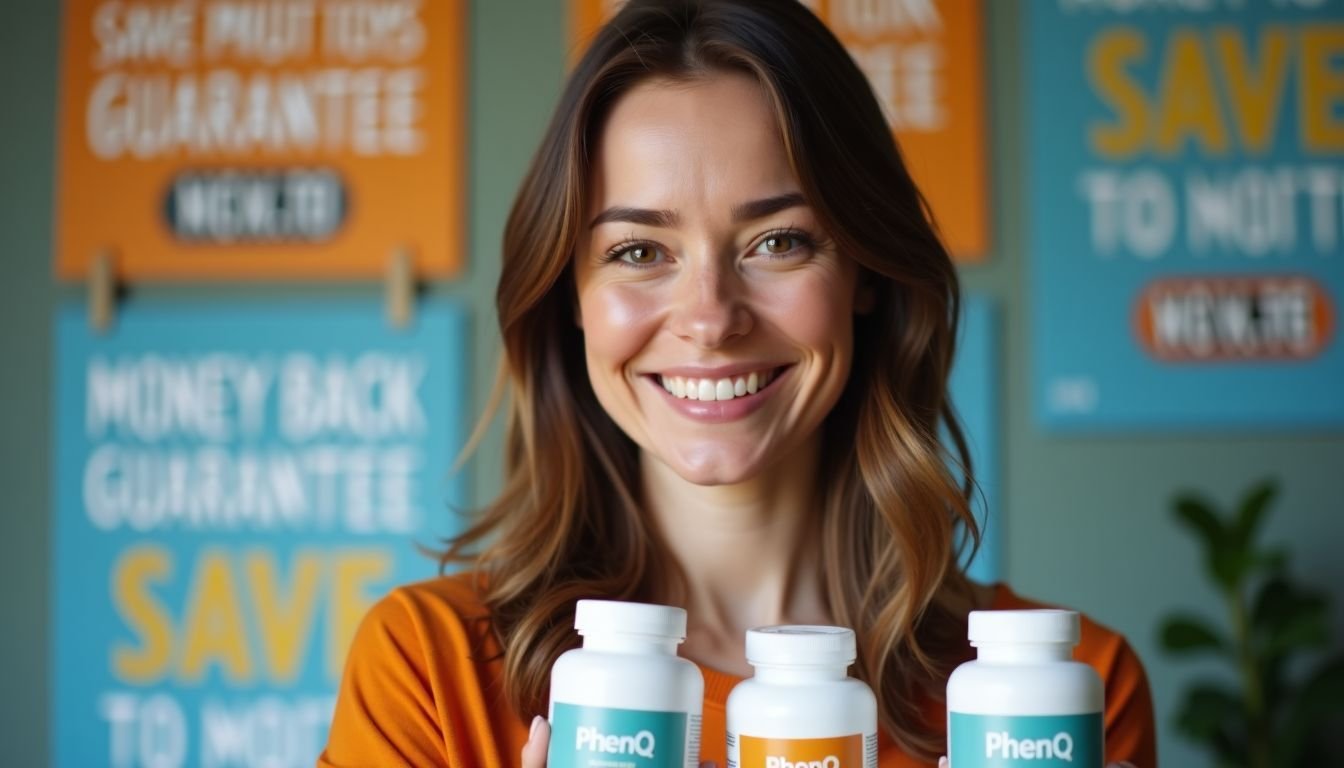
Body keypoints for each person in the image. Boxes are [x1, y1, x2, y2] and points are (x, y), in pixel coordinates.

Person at [318, 2, 1156, 766]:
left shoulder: (1054, 702)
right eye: (639, 252)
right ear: (568, 297)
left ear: (865, 272)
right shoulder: (428, 671)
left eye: (778, 242)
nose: (711, 318)